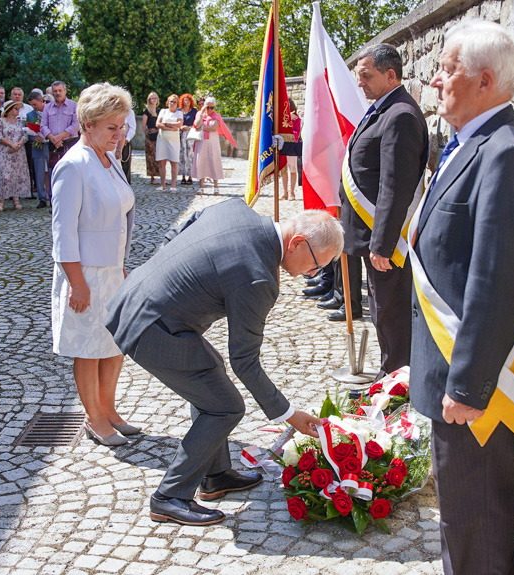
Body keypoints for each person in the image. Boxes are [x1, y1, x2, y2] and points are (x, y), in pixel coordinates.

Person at [410, 21, 514, 575]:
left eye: (448, 69)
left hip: (475, 386)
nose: (436, 79)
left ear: (485, 81)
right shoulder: (470, 143)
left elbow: (497, 279)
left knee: (476, 521)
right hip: (450, 368)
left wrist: (468, 386)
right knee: (458, 519)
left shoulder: (506, 154)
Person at [105, 199, 341, 525]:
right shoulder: (259, 277)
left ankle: (216, 477)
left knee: (211, 378)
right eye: (315, 265)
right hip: (150, 327)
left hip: (139, 298)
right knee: (226, 406)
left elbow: (180, 228)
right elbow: (245, 359)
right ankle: (169, 496)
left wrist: (162, 276)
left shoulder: (234, 208)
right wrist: (289, 415)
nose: (311, 274)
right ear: (297, 243)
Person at [51, 82, 139, 446]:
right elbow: (63, 233)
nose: (119, 135)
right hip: (84, 273)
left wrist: (120, 264)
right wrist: (78, 283)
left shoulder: (111, 159)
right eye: (111, 128)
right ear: (88, 124)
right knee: (88, 349)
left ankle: (110, 408)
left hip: (111, 270)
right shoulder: (72, 166)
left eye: (122, 127)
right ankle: (94, 417)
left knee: (114, 344)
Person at [337, 44, 428, 378]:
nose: (360, 83)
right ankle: (392, 372)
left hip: (385, 240)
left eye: (366, 75)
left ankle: (397, 380)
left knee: (392, 312)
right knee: (381, 309)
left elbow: (395, 184)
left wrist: (383, 243)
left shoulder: (400, 114)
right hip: (370, 231)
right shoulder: (384, 107)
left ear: (391, 75)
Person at [192, 97, 236, 194]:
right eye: (208, 107)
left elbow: (214, 127)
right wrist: (201, 113)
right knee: (201, 162)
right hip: (201, 142)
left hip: (212, 143)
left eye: (212, 107)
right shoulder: (199, 114)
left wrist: (202, 127)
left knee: (214, 162)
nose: (210, 109)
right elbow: (196, 124)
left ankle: (216, 186)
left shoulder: (217, 116)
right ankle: (201, 186)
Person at [0, 100, 31, 212]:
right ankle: (1, 200)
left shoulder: (20, 121)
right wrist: (11, 144)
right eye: (16, 108)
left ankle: (16, 199)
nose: (18, 111)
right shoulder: (1, 121)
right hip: (4, 152)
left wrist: (18, 144)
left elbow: (25, 135)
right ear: (9, 110)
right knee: (4, 175)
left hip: (18, 152)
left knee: (17, 175)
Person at [41, 81, 80, 171]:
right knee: (55, 172)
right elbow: (43, 126)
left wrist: (58, 137)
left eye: (60, 90)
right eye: (55, 91)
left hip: (70, 143)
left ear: (65, 91)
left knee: (71, 171)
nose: (57, 93)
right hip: (53, 145)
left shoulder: (74, 106)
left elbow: (76, 125)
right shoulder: (47, 107)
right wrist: (53, 139)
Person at [10, 87, 36, 196]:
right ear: (11, 96)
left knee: (28, 166)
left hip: (27, 141)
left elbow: (34, 124)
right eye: (15, 94)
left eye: (19, 94)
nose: (17, 96)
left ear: (22, 96)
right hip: (10, 143)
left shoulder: (29, 109)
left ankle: (27, 190)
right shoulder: (6, 108)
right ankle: (12, 192)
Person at [155, 94, 183, 191]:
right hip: (162, 139)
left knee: (174, 162)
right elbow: (158, 123)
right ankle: (162, 185)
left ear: (177, 104)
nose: (172, 103)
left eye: (174, 102)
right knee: (162, 162)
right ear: (168, 102)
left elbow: (179, 124)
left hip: (174, 141)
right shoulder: (163, 111)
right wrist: (169, 127)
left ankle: (173, 185)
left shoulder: (179, 113)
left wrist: (165, 123)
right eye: (171, 101)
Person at [27, 91, 50, 208]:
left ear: (41, 101)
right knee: (39, 173)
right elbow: (28, 131)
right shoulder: (30, 115)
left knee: (51, 172)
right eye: (32, 105)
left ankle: (52, 197)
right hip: (37, 147)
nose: (34, 107)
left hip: (49, 145)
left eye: (35, 104)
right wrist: (33, 137)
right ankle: (41, 198)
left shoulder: (50, 111)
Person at [279, 98, 300, 201]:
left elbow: (296, 133)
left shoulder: (296, 118)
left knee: (292, 170)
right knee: (283, 170)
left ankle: (292, 192)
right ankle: (285, 192)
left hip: (292, 146)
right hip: (283, 146)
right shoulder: (281, 117)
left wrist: (291, 121)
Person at [177, 94, 197, 186]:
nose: (186, 102)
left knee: (190, 155)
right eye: (185, 100)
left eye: (188, 100)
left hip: (191, 134)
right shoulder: (179, 110)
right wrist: (181, 127)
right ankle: (183, 176)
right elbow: (176, 121)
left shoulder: (194, 111)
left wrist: (189, 127)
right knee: (182, 154)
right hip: (180, 135)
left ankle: (190, 176)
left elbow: (197, 123)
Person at [142, 92, 160, 185]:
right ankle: (153, 177)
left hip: (159, 136)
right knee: (151, 157)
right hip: (150, 136)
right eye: (152, 98)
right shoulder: (147, 111)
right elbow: (143, 126)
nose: (153, 100)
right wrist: (148, 134)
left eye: (155, 98)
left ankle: (161, 176)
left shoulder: (159, 111)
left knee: (160, 156)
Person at [117, 108, 136, 184]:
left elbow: (132, 128)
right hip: (112, 142)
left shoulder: (129, 112)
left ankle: (127, 185)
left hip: (125, 141)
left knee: (126, 166)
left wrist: (126, 139)